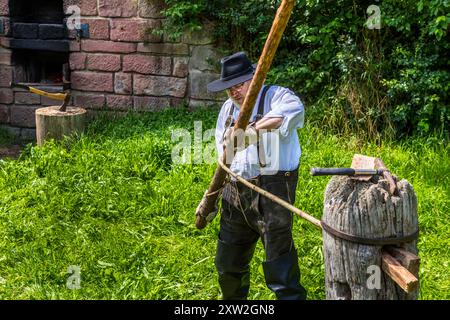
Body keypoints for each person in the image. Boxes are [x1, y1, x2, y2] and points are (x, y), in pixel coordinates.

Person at [207, 51, 307, 300]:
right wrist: (210, 197)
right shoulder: (227, 110)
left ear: (256, 78)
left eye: (239, 84)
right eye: (229, 87)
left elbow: (292, 112)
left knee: (280, 270)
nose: (233, 92)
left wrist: (251, 131)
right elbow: (224, 162)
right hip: (234, 194)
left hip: (272, 192)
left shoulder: (277, 96)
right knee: (228, 265)